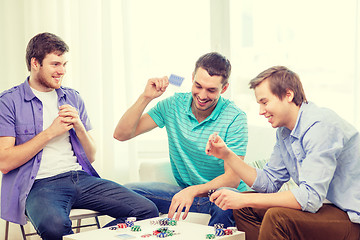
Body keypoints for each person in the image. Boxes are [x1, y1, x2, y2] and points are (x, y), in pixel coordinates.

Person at [0, 32, 158, 240]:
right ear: (35, 63)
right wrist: (50, 133)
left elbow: (91, 156)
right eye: (55, 64)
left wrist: (79, 127)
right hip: (39, 184)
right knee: (54, 227)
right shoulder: (9, 102)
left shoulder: (72, 97)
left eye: (65, 64)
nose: (62, 71)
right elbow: (5, 162)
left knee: (146, 211)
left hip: (79, 178)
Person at [206, 66, 360, 240]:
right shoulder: (285, 132)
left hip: (351, 216)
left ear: (288, 95)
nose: (261, 111)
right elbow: (269, 182)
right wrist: (227, 155)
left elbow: (310, 197)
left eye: (265, 102)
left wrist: (244, 199)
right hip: (326, 208)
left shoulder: (320, 126)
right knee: (243, 208)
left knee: (276, 217)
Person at [113, 52, 248, 228]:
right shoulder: (173, 105)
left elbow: (232, 180)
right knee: (126, 191)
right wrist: (146, 97)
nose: (202, 95)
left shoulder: (235, 118)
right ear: (192, 78)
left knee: (224, 197)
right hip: (185, 193)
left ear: (224, 89)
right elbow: (121, 134)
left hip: (220, 196)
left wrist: (193, 191)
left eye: (211, 90)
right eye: (198, 86)